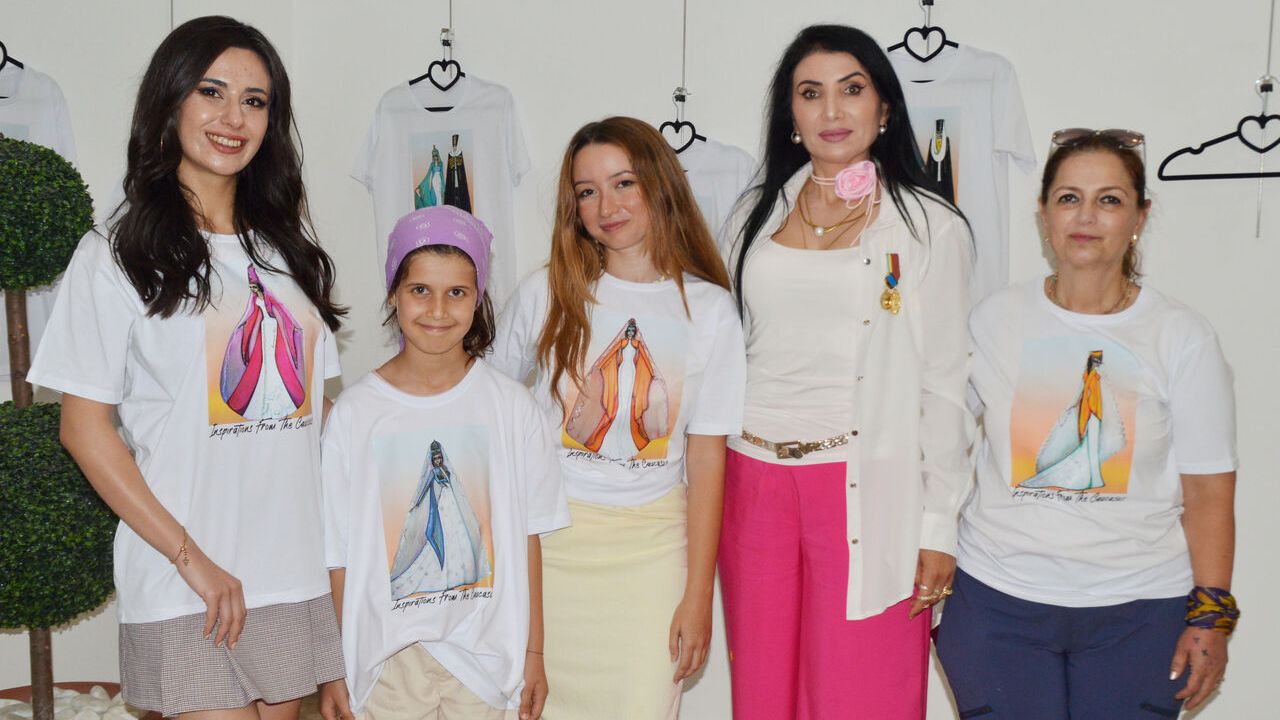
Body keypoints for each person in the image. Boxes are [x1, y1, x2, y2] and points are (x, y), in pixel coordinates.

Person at [28, 15, 346, 720]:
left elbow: (306, 419)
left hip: (289, 573)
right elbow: (83, 429)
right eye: (211, 92)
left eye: (255, 101)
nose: (234, 118)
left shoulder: (288, 251)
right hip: (186, 579)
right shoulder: (115, 253)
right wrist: (190, 558)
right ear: (169, 102)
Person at [934, 128, 1239, 718]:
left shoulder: (1181, 336)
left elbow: (1209, 491)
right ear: (1044, 214)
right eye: (1069, 198)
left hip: (1140, 613)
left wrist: (1212, 618)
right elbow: (935, 436)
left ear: (1139, 217)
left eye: (1110, 200)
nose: (1086, 216)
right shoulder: (994, 319)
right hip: (997, 606)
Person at [717, 24, 974, 719]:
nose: (831, 110)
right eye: (811, 93)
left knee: (862, 695)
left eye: (851, 89)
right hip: (754, 483)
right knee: (762, 697)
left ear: (884, 107)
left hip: (863, 486)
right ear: (791, 115)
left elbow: (945, 385)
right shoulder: (751, 216)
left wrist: (937, 527)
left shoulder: (930, 227)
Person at [491, 116, 746, 719]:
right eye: (587, 191)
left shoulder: (710, 310)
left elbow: (708, 459)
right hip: (547, 547)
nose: (607, 206)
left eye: (623, 183)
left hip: (651, 554)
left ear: (660, 184)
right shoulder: (545, 292)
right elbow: (488, 406)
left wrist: (697, 595)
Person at [318, 206, 569, 720]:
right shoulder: (355, 414)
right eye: (420, 290)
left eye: (456, 292)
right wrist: (334, 667)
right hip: (386, 666)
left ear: (478, 298)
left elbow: (530, 538)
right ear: (393, 293)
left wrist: (534, 654)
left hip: (487, 663)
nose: (438, 309)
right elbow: (336, 554)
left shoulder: (512, 406)